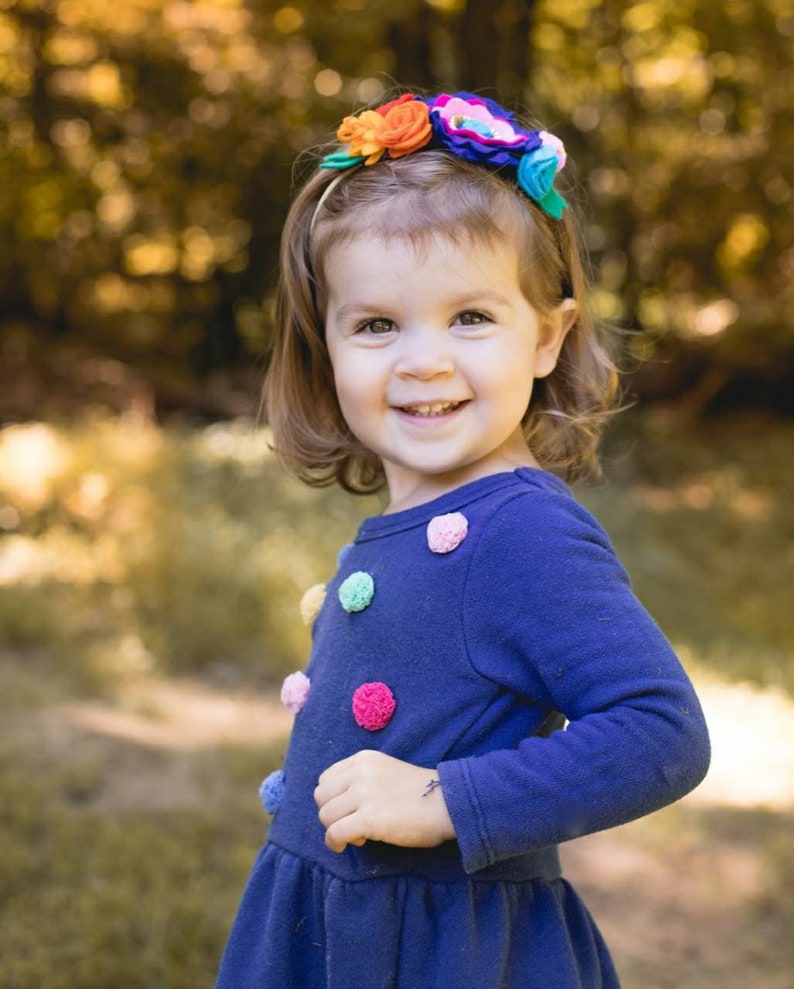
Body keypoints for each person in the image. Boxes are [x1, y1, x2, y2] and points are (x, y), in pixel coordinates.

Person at [215, 91, 710, 989]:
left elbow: (659, 731)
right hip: (332, 922)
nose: (424, 360)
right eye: (376, 324)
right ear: (325, 348)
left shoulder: (523, 529)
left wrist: (448, 798)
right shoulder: (408, 525)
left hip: (443, 950)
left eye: (470, 317)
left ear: (548, 337)